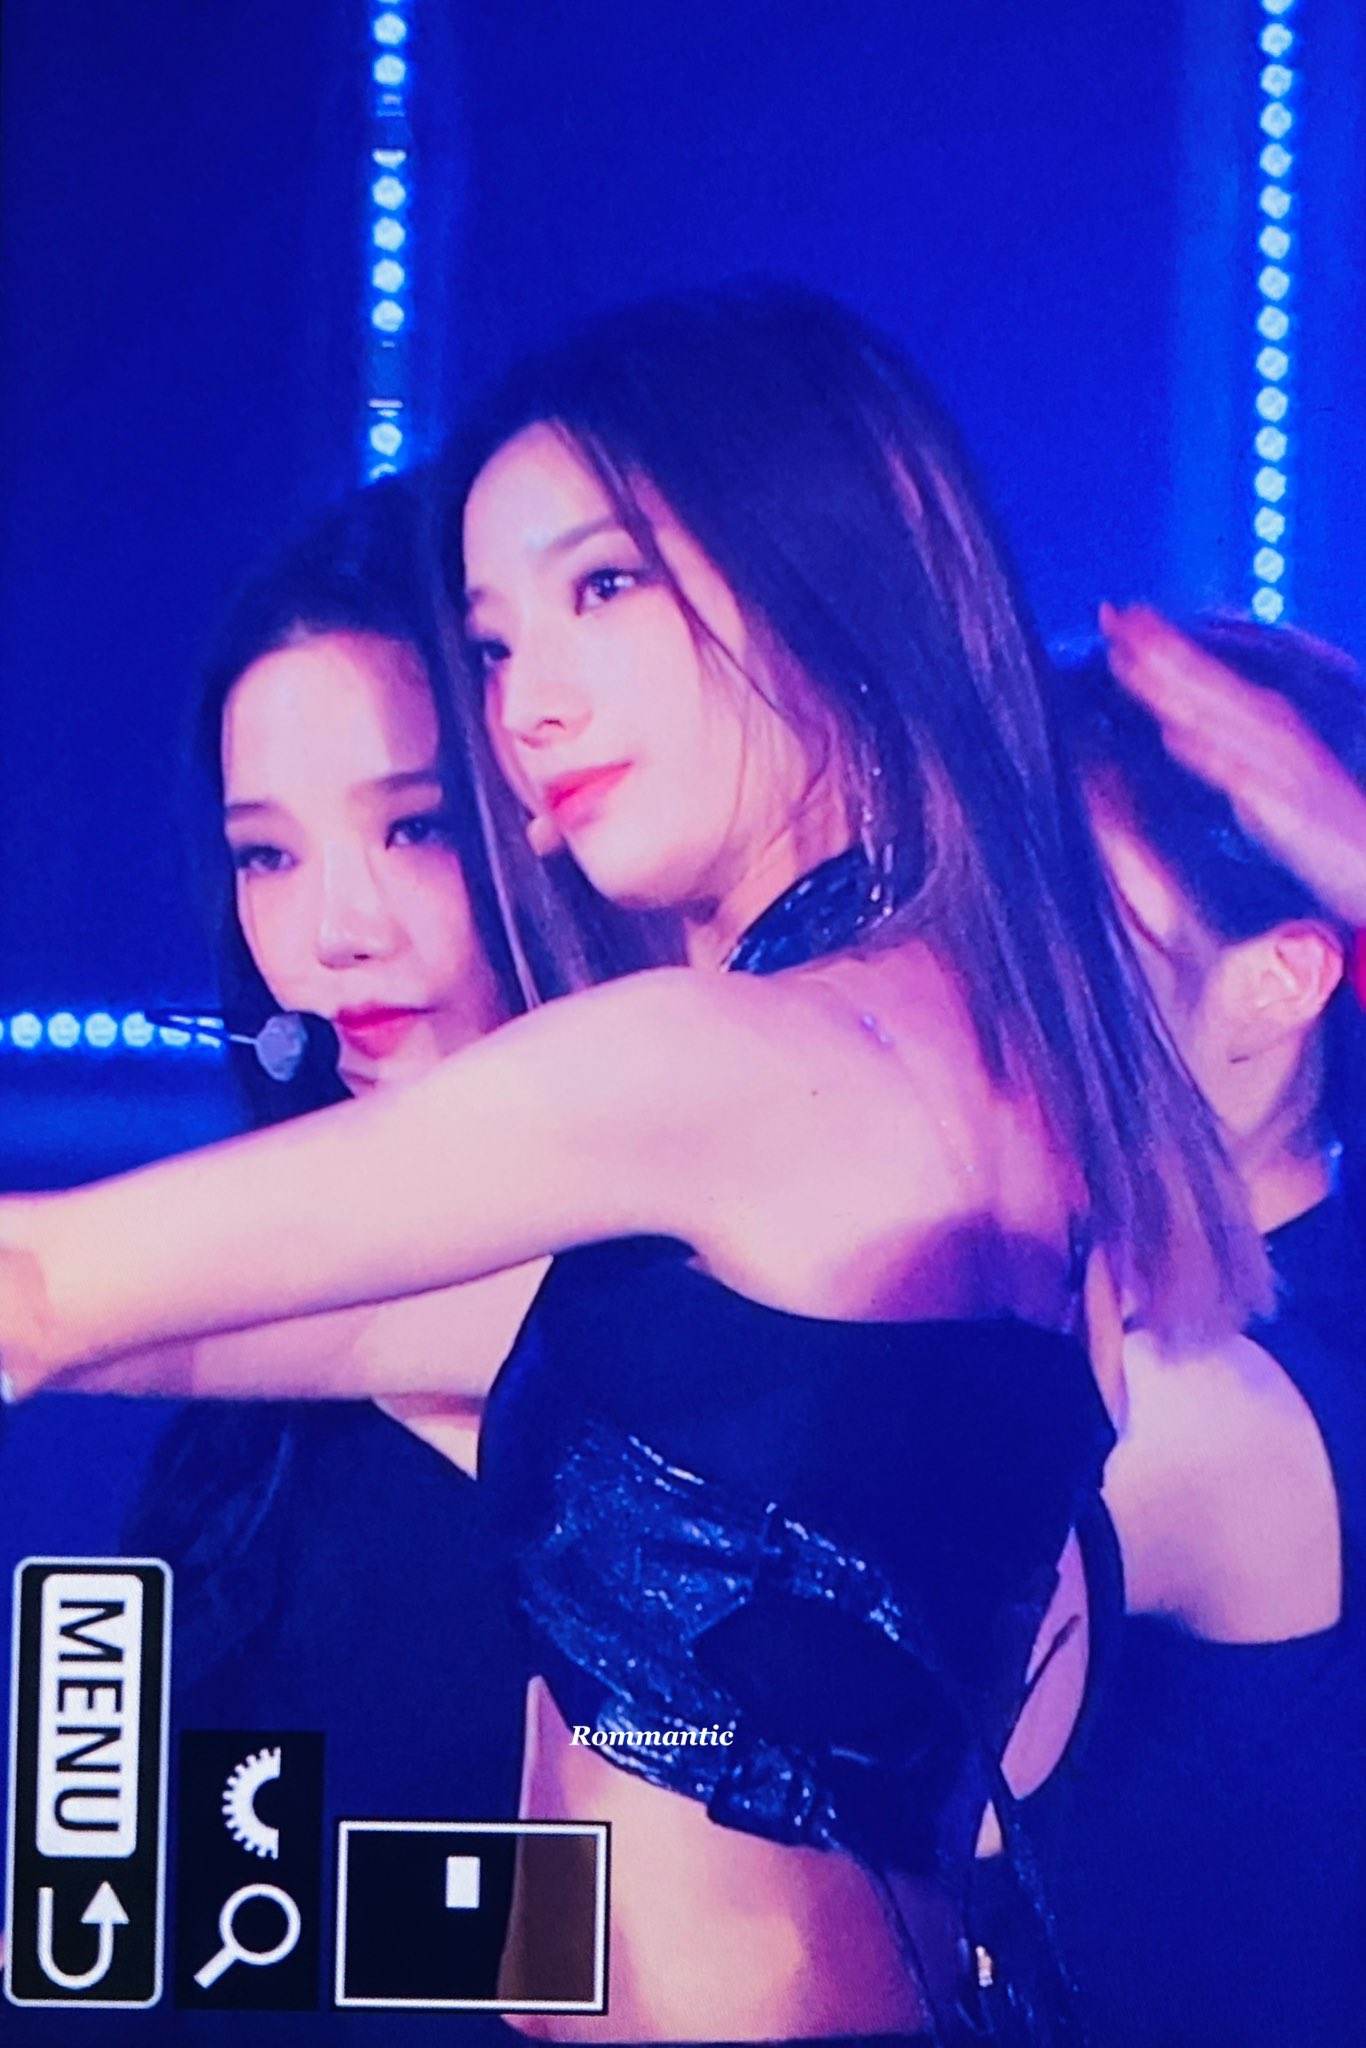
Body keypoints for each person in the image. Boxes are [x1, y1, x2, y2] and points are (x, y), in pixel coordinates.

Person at [0, 287, 1264, 2044]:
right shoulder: (1018, 1088)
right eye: (495, 643)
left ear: (822, 562)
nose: (531, 704)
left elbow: (39, 1292)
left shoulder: (715, 1068)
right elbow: (279, 1324)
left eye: (601, 587)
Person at [1011, 608, 1366, 2047]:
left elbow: (785, 1838)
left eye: (1075, 917)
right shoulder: (1071, 1280)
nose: (1007, 973)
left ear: (1280, 979)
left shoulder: (1207, 1396)